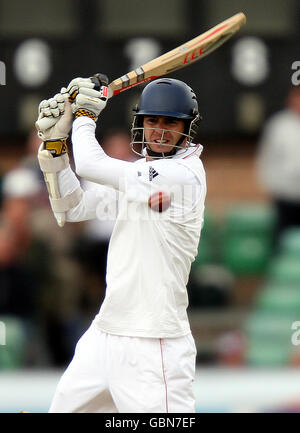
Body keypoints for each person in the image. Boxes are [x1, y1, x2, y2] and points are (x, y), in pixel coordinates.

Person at [35, 75, 207, 413]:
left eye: (170, 122)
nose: (159, 130)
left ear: (187, 129)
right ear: (140, 124)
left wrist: (84, 117)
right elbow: (72, 207)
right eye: (151, 121)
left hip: (155, 344)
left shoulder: (184, 175)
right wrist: (55, 146)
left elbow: (89, 165)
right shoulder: (139, 174)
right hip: (104, 335)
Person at [256, 86, 300, 249]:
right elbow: (267, 157)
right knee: (282, 241)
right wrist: (271, 186)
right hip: (285, 198)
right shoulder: (279, 125)